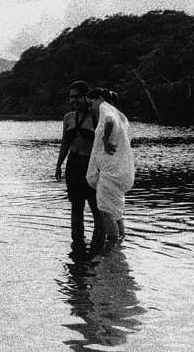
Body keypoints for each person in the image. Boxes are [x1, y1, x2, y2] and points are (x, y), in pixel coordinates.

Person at [55, 80, 104, 256]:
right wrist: (58, 165)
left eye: (77, 97)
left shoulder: (95, 116)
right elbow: (65, 143)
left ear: (86, 97)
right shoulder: (68, 118)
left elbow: (104, 141)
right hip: (73, 164)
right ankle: (77, 248)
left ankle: (99, 249)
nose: (74, 100)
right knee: (76, 207)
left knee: (95, 206)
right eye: (71, 97)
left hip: (91, 164)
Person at [85, 88, 135, 250]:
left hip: (109, 171)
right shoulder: (118, 114)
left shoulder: (105, 109)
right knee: (116, 212)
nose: (90, 107)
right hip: (116, 170)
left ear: (98, 99)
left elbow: (109, 121)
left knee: (105, 211)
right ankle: (120, 247)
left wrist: (105, 139)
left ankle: (112, 248)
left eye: (90, 103)